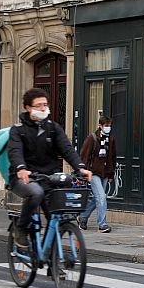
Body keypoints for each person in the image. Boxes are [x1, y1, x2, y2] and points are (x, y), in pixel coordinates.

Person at [8, 88, 92, 247]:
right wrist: (21, 168)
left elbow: (67, 149)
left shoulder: (53, 127)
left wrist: (80, 167)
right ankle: (21, 229)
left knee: (56, 216)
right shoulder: (18, 130)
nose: (42, 108)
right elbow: (15, 151)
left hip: (49, 177)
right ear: (28, 107)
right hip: (24, 178)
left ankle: (53, 261)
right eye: (38, 105)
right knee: (36, 193)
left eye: (45, 104)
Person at [78, 115, 117, 233]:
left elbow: (112, 157)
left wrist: (111, 174)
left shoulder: (111, 139)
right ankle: (102, 224)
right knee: (101, 197)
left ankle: (83, 217)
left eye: (109, 126)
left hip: (105, 173)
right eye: (106, 126)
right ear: (100, 126)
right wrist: (82, 172)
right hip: (93, 172)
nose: (108, 128)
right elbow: (84, 155)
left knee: (97, 198)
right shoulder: (92, 138)